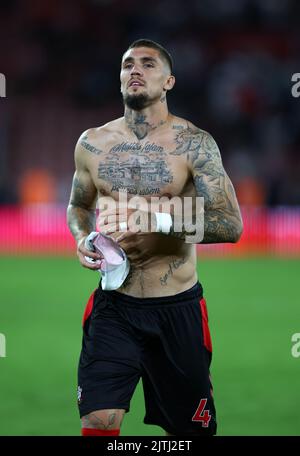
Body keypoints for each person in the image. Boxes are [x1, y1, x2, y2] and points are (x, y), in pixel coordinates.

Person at [67, 38, 243, 437]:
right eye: (128, 63)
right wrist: (81, 237)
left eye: (148, 64)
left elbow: (231, 224)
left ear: (169, 82)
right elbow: (78, 206)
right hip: (114, 308)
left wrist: (156, 218)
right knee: (98, 421)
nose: (135, 70)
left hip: (177, 311)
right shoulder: (91, 143)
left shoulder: (194, 144)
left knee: (191, 433)